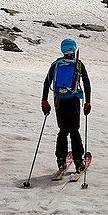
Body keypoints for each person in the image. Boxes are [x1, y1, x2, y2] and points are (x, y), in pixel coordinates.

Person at [41, 38, 92, 174]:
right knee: (74, 131)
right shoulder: (78, 64)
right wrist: (87, 102)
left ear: (62, 50)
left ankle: (61, 161)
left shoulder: (56, 64)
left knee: (63, 131)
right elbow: (86, 83)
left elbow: (46, 83)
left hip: (59, 101)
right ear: (74, 49)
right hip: (74, 100)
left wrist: (44, 101)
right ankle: (78, 162)